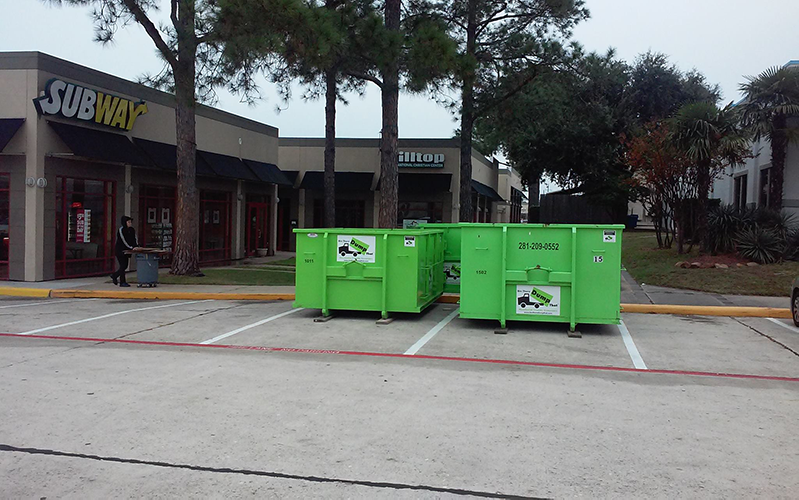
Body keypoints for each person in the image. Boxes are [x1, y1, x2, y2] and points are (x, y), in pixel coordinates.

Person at [110, 216, 140, 287]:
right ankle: (122, 282)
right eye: (128, 222)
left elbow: (134, 239)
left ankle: (115, 275)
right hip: (120, 250)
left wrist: (136, 246)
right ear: (125, 222)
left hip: (128, 251)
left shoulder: (132, 230)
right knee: (123, 265)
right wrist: (131, 247)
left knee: (125, 266)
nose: (130, 224)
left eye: (130, 222)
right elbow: (124, 240)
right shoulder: (121, 230)